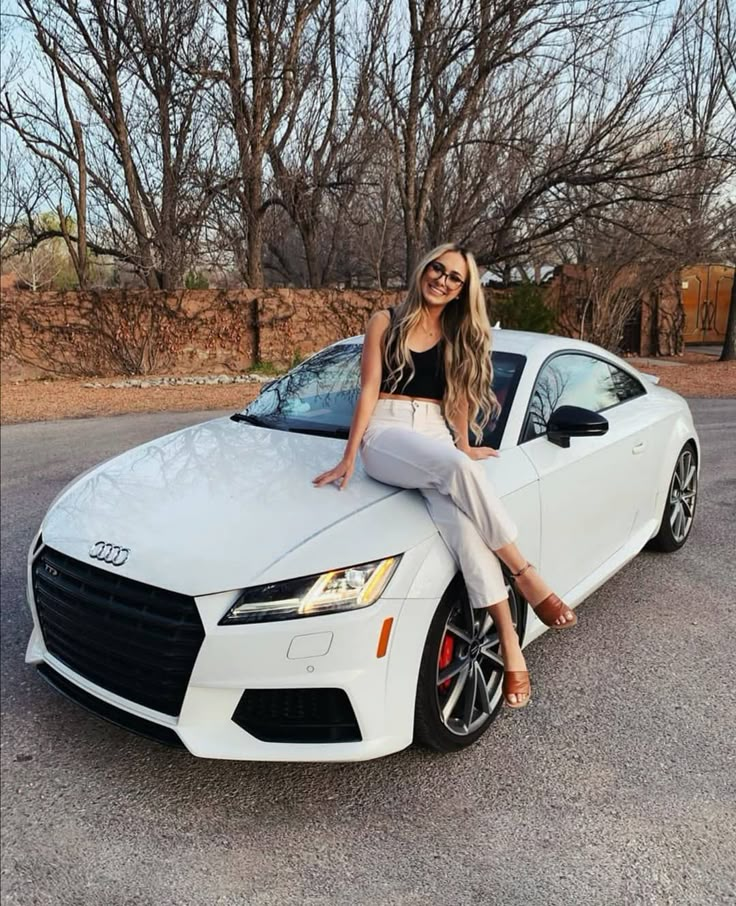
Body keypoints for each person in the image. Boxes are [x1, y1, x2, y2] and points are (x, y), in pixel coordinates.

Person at [312, 242, 576, 709]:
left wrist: (462, 442)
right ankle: (525, 573)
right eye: (439, 269)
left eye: (455, 278)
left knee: (464, 532)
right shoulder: (384, 321)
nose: (444, 280)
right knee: (457, 469)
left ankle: (512, 646)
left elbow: (456, 399)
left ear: (461, 291)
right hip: (387, 435)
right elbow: (370, 388)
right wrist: (350, 454)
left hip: (435, 436)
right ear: (424, 270)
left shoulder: (456, 332)